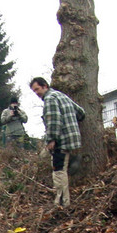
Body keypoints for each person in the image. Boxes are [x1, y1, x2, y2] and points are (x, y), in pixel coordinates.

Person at [29, 76, 85, 208]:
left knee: (58, 171)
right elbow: (81, 113)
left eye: (37, 89)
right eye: (34, 91)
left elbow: (53, 121)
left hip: (61, 141)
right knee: (57, 164)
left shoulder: (49, 99)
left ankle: (62, 204)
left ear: (45, 86)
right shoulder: (61, 96)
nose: (36, 93)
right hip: (73, 139)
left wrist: (51, 140)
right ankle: (74, 162)